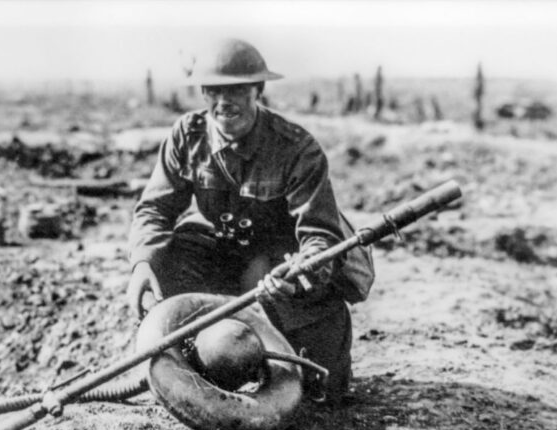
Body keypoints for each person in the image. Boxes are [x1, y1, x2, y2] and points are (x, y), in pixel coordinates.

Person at [127, 38, 375, 403]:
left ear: (258, 90)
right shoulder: (187, 135)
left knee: (322, 395)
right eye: (213, 90)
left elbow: (320, 234)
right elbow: (154, 210)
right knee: (171, 255)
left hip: (283, 266)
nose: (224, 102)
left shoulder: (296, 148)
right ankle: (191, 359)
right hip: (226, 255)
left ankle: (293, 354)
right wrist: (142, 263)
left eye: (237, 89)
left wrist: (302, 272)